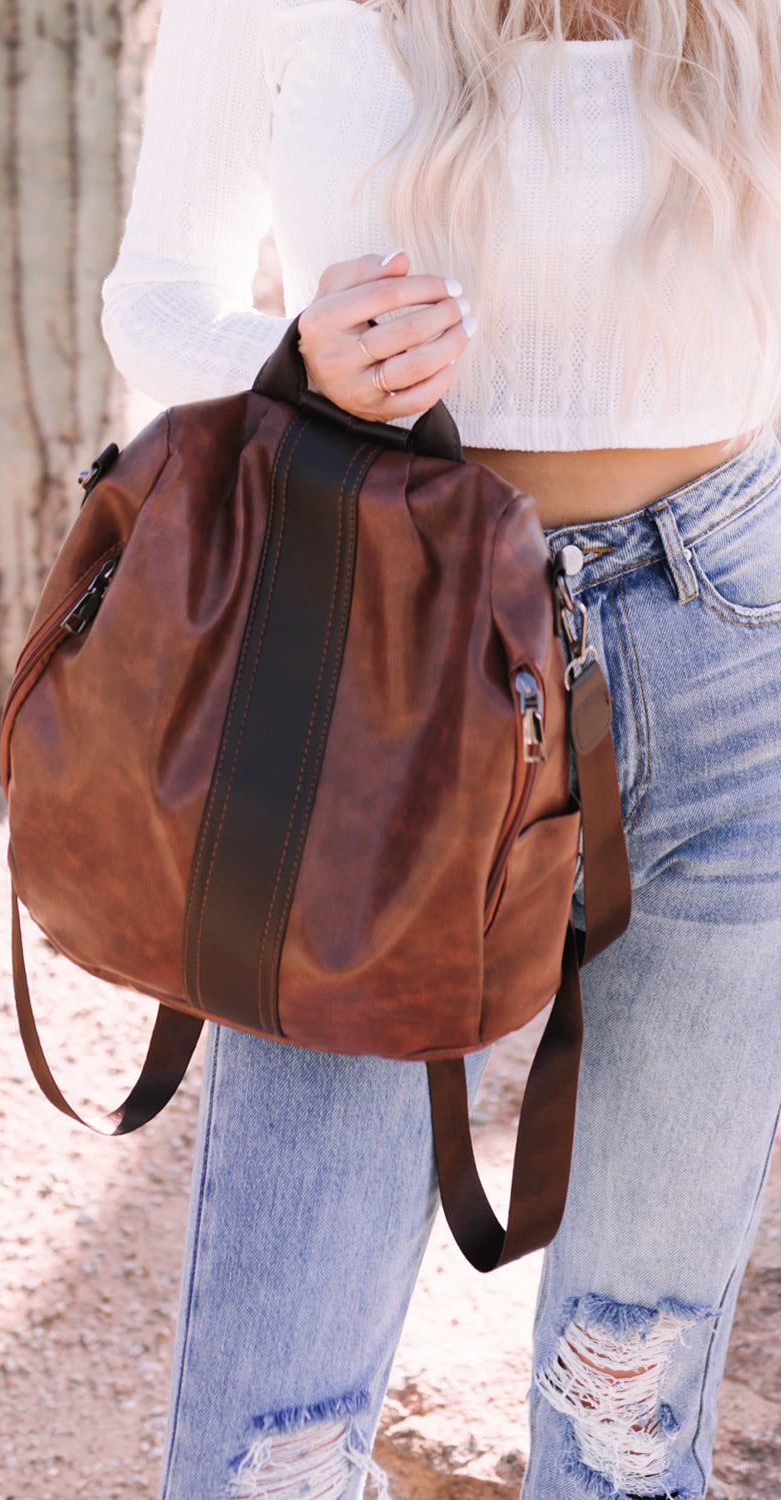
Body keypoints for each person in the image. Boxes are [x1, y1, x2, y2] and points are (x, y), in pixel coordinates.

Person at [101, 1, 781, 1495]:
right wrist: (293, 360)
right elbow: (155, 297)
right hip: (386, 660)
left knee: (635, 1374)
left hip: (734, 635)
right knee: (275, 1424)